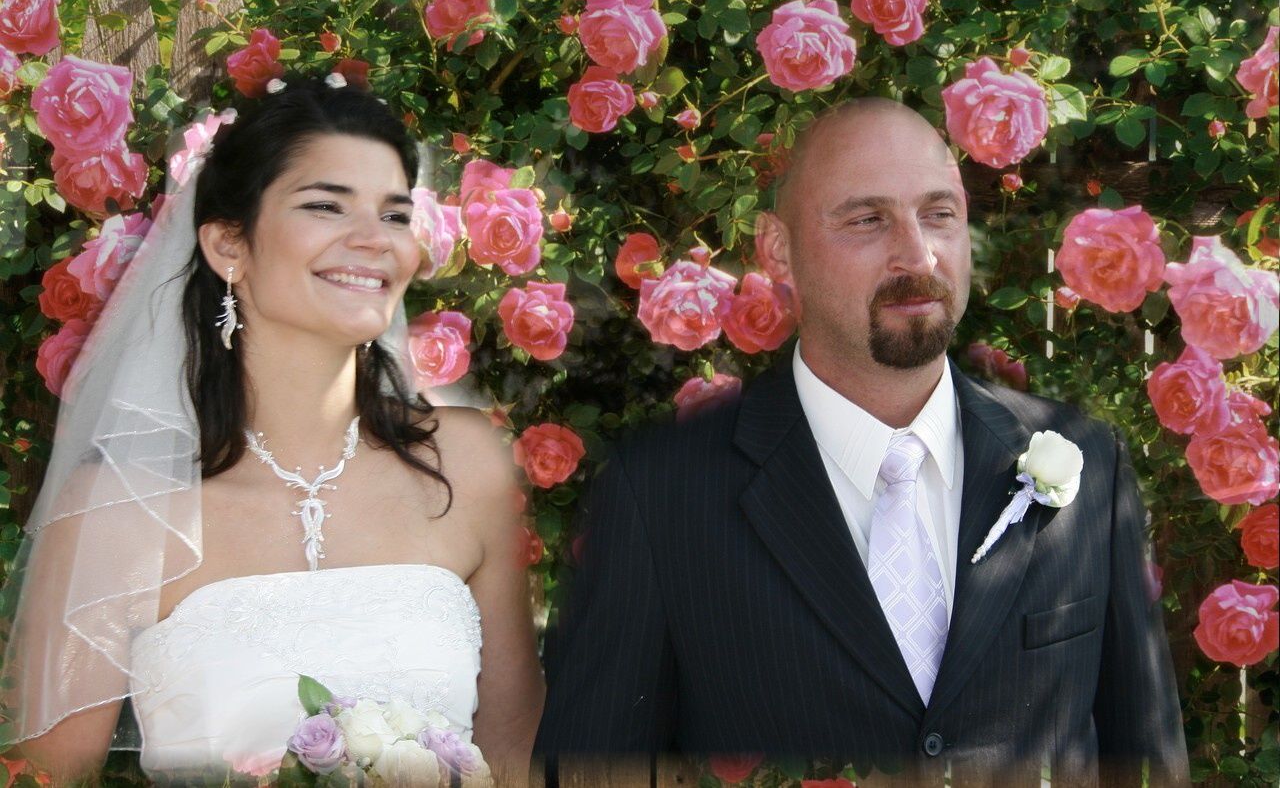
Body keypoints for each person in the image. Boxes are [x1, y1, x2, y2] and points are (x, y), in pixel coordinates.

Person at [536, 99, 1189, 785]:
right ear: (778, 249)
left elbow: (1147, 757)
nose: (918, 254)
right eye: (867, 219)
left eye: (939, 214)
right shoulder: (660, 493)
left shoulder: (1089, 463)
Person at [4, 77, 544, 784]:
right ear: (229, 244)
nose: (374, 240)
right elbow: (43, 777)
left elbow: (512, 754)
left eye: (393, 214)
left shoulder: (467, 463)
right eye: (325, 205)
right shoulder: (116, 509)